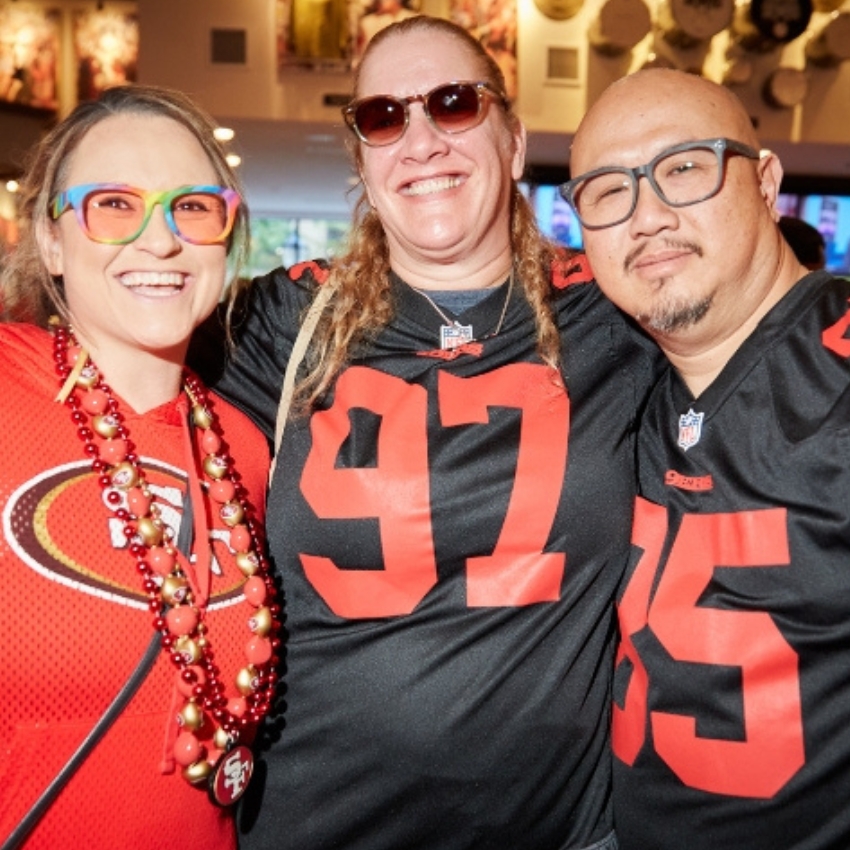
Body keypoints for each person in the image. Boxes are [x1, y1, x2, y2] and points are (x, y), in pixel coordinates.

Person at [195, 14, 661, 850]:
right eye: (382, 118)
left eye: (452, 104)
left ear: (514, 142)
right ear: (362, 161)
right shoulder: (282, 321)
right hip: (317, 824)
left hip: (560, 834)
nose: (420, 141)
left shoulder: (614, 315)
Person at [564, 68, 850, 849]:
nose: (647, 217)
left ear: (765, 182)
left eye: (684, 166)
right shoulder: (618, 378)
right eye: (607, 191)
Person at [0, 84, 279, 850]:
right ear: (51, 241)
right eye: (114, 204)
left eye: (192, 206)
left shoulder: (242, 447)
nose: (160, 241)